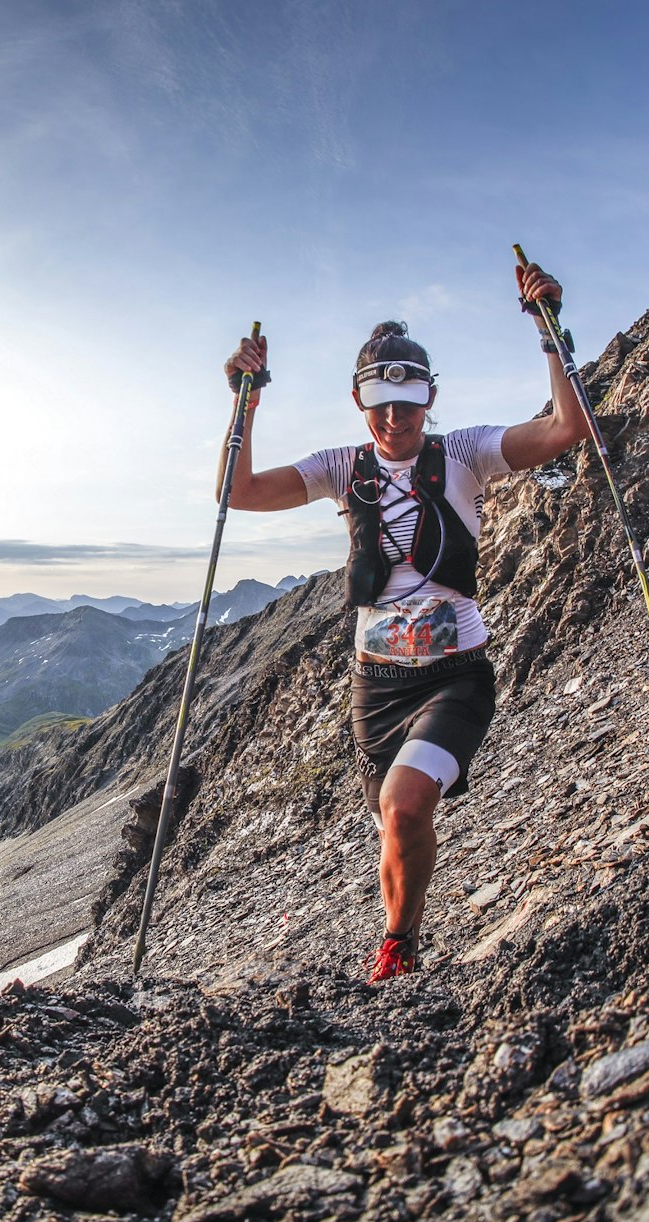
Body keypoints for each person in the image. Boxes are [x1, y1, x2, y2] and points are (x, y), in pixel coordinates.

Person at [222, 260, 588, 983]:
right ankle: (405, 936)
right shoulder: (340, 467)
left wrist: (549, 330)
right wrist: (244, 403)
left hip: (457, 677)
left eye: (410, 400)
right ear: (360, 402)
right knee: (396, 819)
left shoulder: (467, 453)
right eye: (380, 401)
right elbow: (238, 491)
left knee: (405, 800)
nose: (395, 417)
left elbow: (567, 427)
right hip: (376, 688)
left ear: (431, 397)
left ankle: (396, 946)